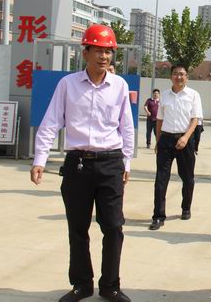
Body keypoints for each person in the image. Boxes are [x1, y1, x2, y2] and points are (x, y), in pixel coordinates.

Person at [30, 24, 134, 302]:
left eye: (108, 51)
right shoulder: (68, 85)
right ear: (85, 52)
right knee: (77, 228)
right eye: (98, 50)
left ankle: (110, 285)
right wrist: (40, 159)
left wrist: (126, 163)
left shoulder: (119, 86)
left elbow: (126, 127)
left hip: (110, 163)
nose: (104, 56)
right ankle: (81, 284)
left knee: (113, 227)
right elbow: (51, 122)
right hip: (77, 164)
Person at [149, 64, 203, 230]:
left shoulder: (193, 95)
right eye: (175, 74)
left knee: (187, 178)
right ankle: (158, 216)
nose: (178, 77)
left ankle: (186, 207)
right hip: (166, 140)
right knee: (161, 179)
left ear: (187, 77)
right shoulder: (165, 95)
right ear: (170, 76)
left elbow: (195, 119)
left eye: (182, 74)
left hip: (185, 140)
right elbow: (160, 120)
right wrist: (158, 140)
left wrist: (186, 137)